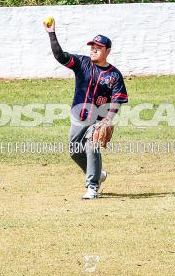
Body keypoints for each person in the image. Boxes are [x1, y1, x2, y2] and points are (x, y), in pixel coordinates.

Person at [44, 19, 128, 199]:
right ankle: (99, 174)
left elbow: (117, 98)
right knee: (75, 152)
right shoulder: (82, 63)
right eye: (92, 46)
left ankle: (92, 187)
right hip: (78, 116)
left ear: (107, 51)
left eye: (98, 47)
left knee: (91, 146)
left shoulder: (114, 74)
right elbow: (60, 56)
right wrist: (52, 33)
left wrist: (108, 119)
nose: (93, 49)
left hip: (98, 119)